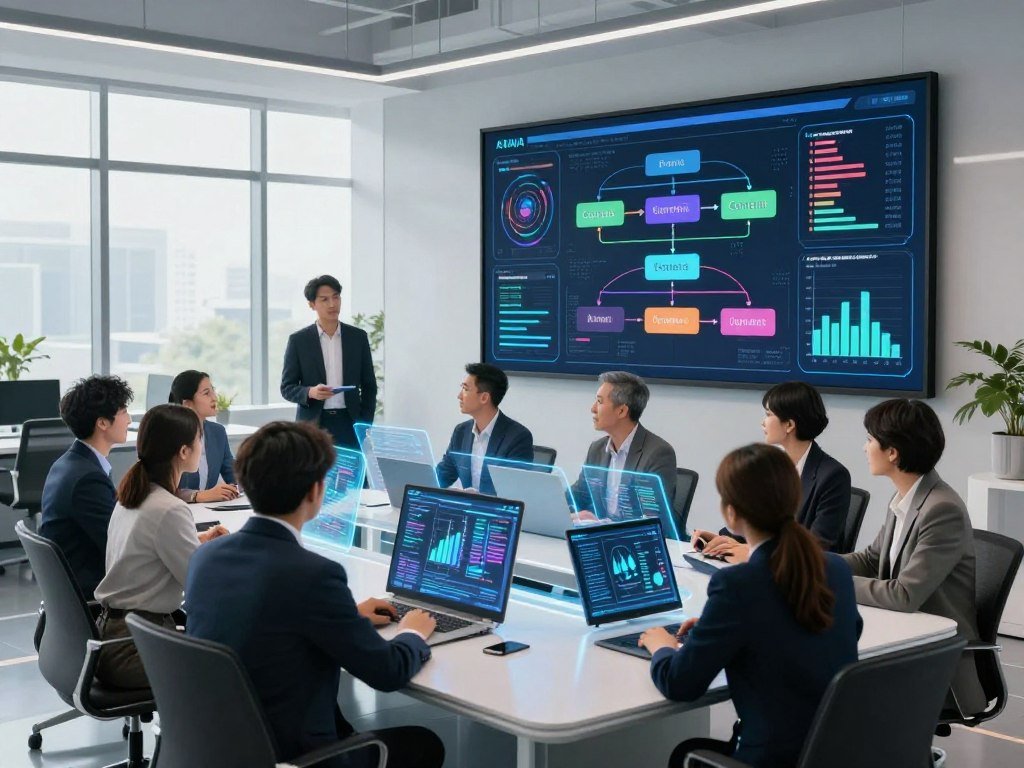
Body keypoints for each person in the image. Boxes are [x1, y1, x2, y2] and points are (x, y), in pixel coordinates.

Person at [185, 421, 444, 768]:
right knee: (424, 744)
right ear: (315, 491)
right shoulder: (313, 575)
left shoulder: (205, 556)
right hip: (295, 756)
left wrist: (345, 614)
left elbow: (266, 617)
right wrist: (413, 631)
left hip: (220, 746)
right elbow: (387, 672)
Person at [639, 443, 862, 768]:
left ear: (731, 513)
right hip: (830, 750)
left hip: (770, 757)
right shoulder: (835, 568)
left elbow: (679, 683)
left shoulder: (736, 585)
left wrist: (662, 647)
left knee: (683, 754)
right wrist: (731, 631)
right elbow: (845, 631)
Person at [843, 398, 987, 714]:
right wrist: (810, 565)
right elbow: (870, 559)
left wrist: (830, 581)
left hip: (935, 664)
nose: (865, 448)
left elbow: (905, 594)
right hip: (905, 640)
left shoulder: (941, 509)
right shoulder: (907, 497)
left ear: (893, 452)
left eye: (869, 440)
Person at [94, 404, 228, 689]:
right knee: (235, 661)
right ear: (183, 452)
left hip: (114, 635)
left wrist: (200, 544)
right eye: (199, 439)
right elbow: (201, 586)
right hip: (132, 649)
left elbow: (151, 549)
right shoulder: (169, 509)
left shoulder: (133, 495)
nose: (202, 446)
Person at [694, 381, 852, 561]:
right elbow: (753, 522)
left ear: (789, 425)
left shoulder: (833, 476)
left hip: (802, 579)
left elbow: (817, 546)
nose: (763, 422)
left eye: (768, 414)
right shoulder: (769, 465)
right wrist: (723, 540)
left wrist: (754, 552)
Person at [40, 375, 134, 597]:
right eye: (123, 412)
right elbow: (120, 546)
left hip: (74, 590)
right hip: (96, 595)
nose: (129, 419)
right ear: (102, 422)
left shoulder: (69, 463)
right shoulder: (86, 479)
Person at [280, 275, 377, 450]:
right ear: (312, 304)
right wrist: (310, 392)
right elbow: (287, 388)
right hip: (313, 425)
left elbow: (369, 385)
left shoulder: (358, 337)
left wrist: (365, 423)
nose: (332, 304)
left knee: (354, 476)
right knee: (313, 476)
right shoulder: (298, 341)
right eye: (324, 299)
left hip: (350, 422)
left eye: (336, 297)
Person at [570, 371, 676, 520]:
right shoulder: (597, 449)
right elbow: (579, 495)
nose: (593, 409)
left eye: (599, 402)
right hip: (602, 536)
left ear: (621, 411)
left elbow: (653, 517)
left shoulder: (658, 453)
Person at [435, 363, 534, 495]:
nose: (459, 396)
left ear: (484, 398)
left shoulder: (518, 437)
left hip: (497, 514)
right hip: (467, 511)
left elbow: (513, 492)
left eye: (465, 389)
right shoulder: (461, 432)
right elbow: (441, 477)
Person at [167, 369, 240, 503]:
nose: (215, 398)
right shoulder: (170, 435)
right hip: (176, 511)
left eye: (213, 391)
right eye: (206, 393)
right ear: (187, 404)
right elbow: (161, 490)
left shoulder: (217, 432)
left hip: (206, 512)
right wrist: (197, 496)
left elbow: (235, 475)